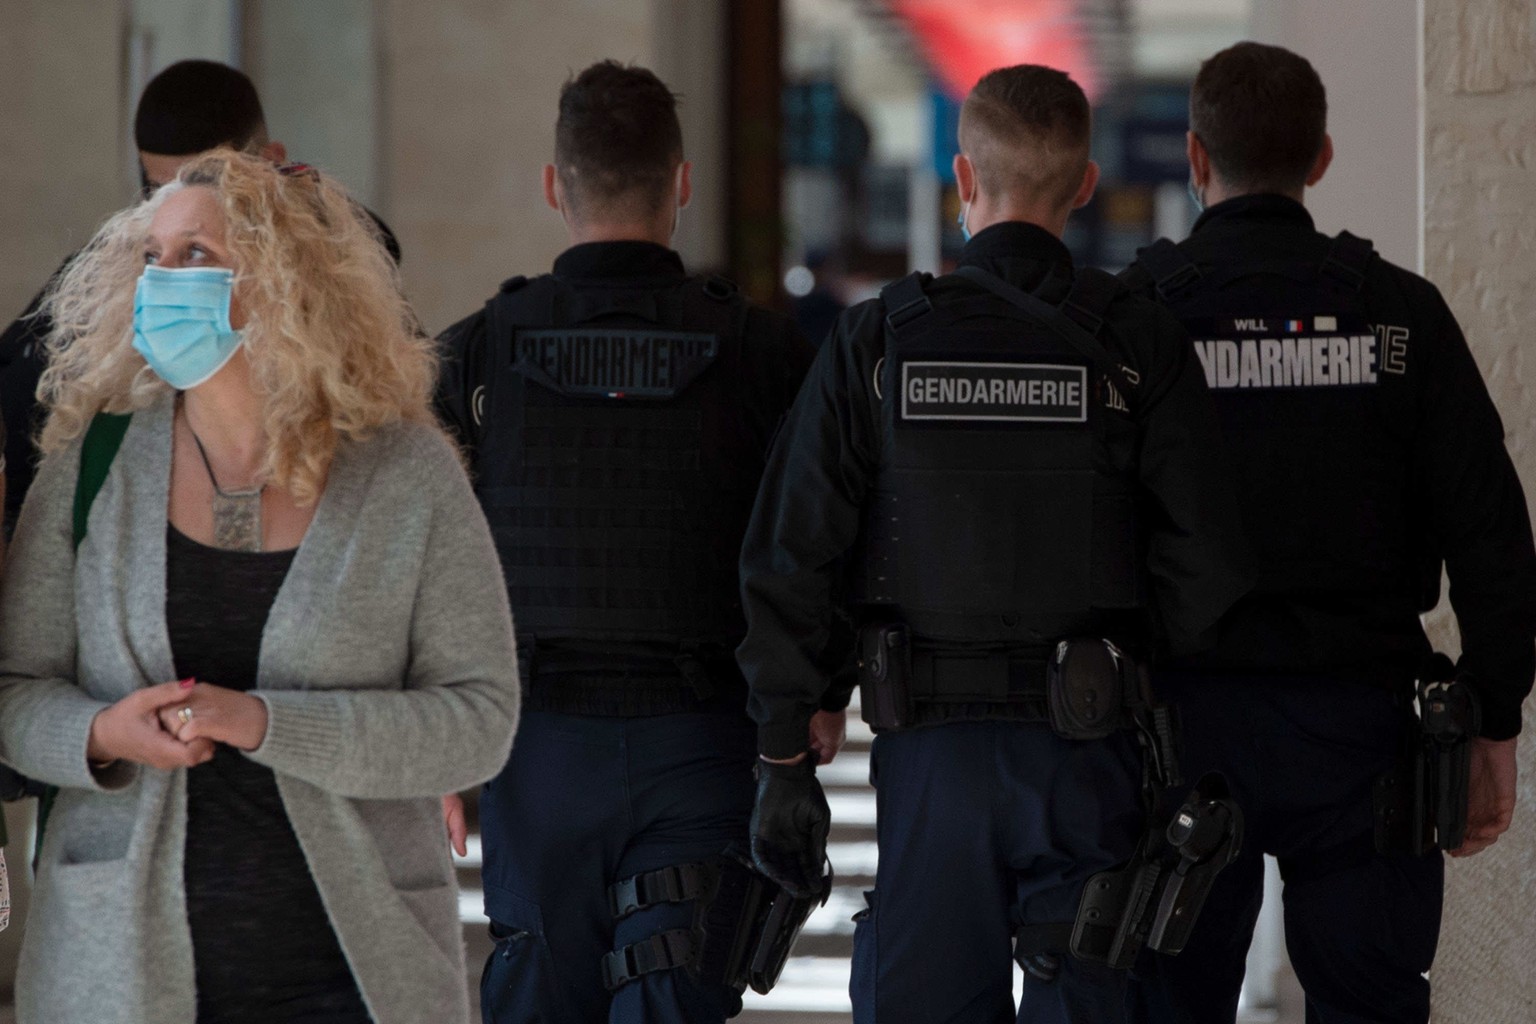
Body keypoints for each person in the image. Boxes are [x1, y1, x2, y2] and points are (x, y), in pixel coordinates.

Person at [738, 64, 1253, 1024]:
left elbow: (792, 549)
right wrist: (1144, 673)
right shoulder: (1137, 340)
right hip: (1093, 753)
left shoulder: (880, 342)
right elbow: (1207, 559)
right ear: (1087, 184)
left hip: (933, 758)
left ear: (962, 180)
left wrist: (786, 739)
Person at [0, 150, 519, 1024]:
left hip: (353, 977)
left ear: (282, 280)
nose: (163, 281)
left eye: (195, 255)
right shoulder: (95, 464)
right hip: (119, 972)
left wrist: (268, 724)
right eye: (152, 259)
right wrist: (99, 733)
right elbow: (13, 697)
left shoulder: (407, 474)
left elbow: (479, 722)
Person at [1119, 42, 1536, 1024]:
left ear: (1192, 156)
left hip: (1182, 728)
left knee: (1165, 1004)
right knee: (1372, 1004)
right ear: (1321, 158)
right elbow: (1490, 534)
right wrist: (1496, 718)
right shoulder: (1398, 315)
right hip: (1365, 732)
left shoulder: (1136, 314)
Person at [435, 61, 817, 1024]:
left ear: (553, 184)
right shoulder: (765, 355)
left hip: (535, 751)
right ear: (682, 182)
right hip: (701, 742)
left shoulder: (480, 352)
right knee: (674, 994)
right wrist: (803, 707)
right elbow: (814, 547)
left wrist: (443, 743)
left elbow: (426, 553)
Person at [0, 58, 399, 535]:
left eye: (209, 182)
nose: (177, 206)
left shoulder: (350, 290)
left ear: (270, 162)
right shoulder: (99, 292)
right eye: (157, 190)